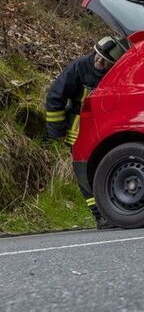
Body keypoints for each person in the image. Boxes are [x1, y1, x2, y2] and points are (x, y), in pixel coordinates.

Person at [45, 37, 124, 229]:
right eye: (98, 55)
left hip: (106, 130)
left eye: (105, 60)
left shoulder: (117, 74)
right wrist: (57, 130)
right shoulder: (79, 67)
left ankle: (118, 211)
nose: (99, 61)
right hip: (79, 130)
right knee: (86, 174)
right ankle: (100, 216)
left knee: (107, 170)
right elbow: (56, 96)